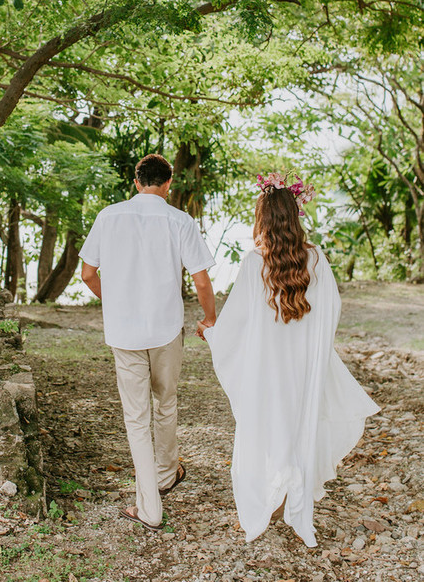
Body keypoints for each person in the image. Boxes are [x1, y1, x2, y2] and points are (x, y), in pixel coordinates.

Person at [199, 173, 379, 548]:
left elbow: (236, 323)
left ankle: (275, 498)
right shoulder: (317, 259)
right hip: (303, 367)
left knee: (267, 427)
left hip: (267, 368)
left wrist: (212, 333)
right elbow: (332, 311)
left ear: (263, 218)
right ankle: (290, 498)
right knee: (299, 427)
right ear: (295, 217)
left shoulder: (254, 263)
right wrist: (315, 350)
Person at [80, 153, 216, 531]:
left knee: (136, 418)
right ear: (168, 184)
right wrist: (210, 319)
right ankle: (166, 474)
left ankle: (149, 506)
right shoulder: (180, 220)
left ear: (136, 182)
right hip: (166, 330)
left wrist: (114, 302)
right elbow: (201, 280)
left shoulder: (108, 216)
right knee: (165, 402)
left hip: (124, 334)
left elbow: (87, 274)